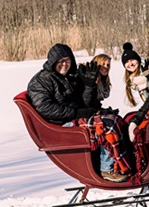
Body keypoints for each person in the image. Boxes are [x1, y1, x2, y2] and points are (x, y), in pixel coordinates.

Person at [27, 44, 132, 183]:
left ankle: (123, 163)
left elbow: (85, 103)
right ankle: (107, 169)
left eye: (67, 60)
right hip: (59, 124)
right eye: (60, 61)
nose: (64, 64)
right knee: (107, 124)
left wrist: (89, 85)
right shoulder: (41, 80)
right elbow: (45, 107)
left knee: (114, 118)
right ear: (52, 61)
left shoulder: (70, 76)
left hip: (72, 116)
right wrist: (76, 113)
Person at [121, 42, 149, 107]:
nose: (130, 64)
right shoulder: (133, 81)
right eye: (127, 62)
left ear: (138, 60)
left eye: (132, 60)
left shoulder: (148, 70)